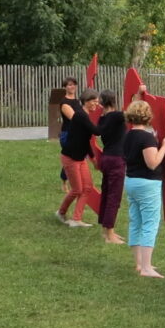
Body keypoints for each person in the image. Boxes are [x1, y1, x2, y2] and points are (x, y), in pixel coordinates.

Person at [123, 99, 165, 277]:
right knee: (150, 223)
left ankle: (139, 264)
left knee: (135, 221)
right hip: (147, 183)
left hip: (131, 181)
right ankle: (146, 267)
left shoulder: (128, 135)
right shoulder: (147, 138)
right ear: (147, 116)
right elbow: (152, 163)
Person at [56, 88, 99, 228]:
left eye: (97, 102)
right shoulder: (81, 115)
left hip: (80, 158)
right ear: (86, 102)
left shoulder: (83, 116)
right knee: (77, 189)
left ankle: (76, 219)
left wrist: (92, 158)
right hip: (70, 158)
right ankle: (61, 213)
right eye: (94, 102)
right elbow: (96, 131)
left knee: (87, 188)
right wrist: (112, 121)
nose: (96, 105)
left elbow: (85, 140)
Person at [96, 91, 128, 244]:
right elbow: (132, 111)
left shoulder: (101, 119)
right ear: (114, 101)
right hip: (116, 160)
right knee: (114, 197)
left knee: (107, 193)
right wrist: (139, 93)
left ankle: (105, 230)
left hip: (106, 158)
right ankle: (110, 234)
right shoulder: (117, 116)